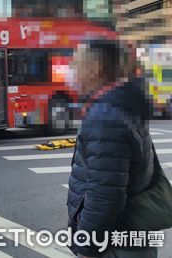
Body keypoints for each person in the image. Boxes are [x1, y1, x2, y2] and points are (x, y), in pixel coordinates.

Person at [66, 40, 157, 258]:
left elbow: (104, 195)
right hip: (133, 235)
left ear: (94, 68)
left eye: (75, 63)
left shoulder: (105, 117)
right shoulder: (124, 104)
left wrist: (86, 248)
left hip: (114, 245)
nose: (71, 70)